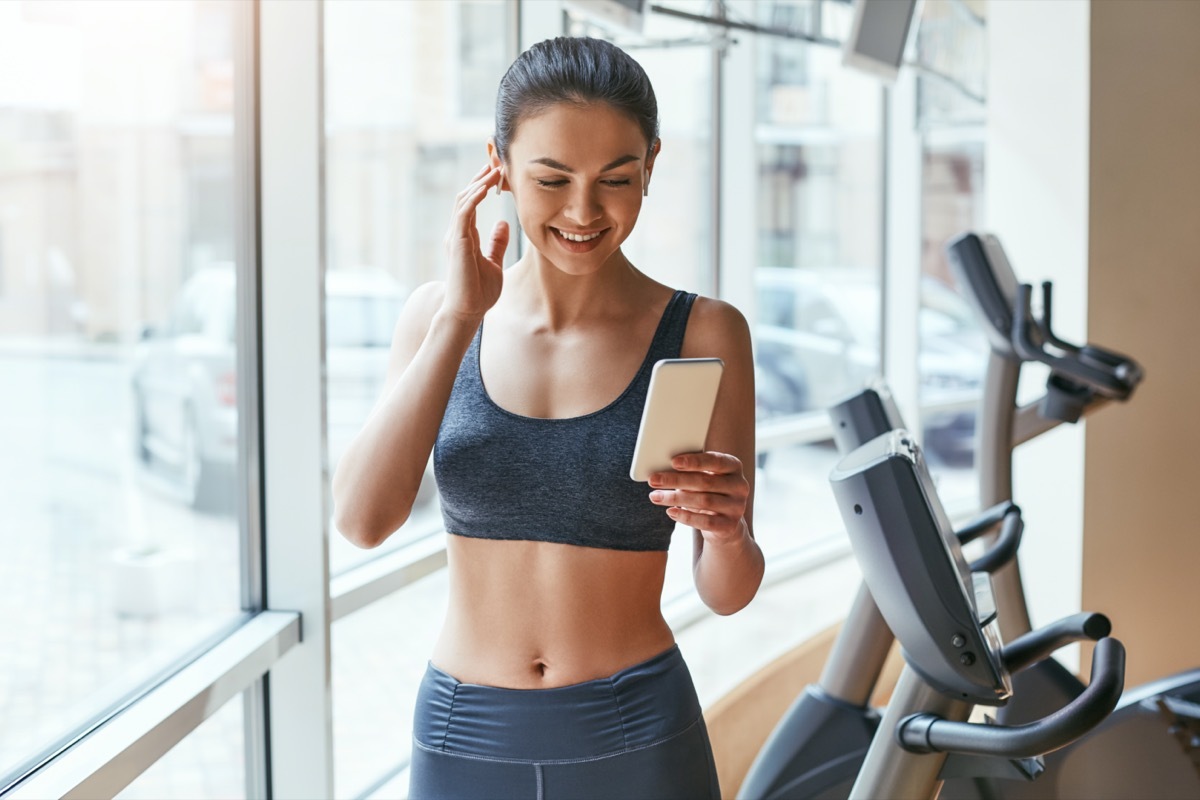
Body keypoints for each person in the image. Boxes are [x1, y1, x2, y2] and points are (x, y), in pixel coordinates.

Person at [332, 36, 763, 799]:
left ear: (651, 167)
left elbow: (726, 591)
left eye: (616, 179)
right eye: (552, 178)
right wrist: (461, 316)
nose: (583, 211)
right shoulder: (438, 317)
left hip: (637, 729)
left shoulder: (705, 332)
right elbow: (363, 519)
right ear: (497, 165)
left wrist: (727, 531)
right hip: (464, 733)